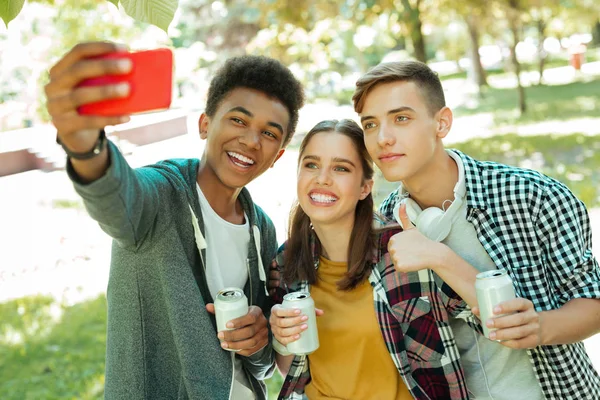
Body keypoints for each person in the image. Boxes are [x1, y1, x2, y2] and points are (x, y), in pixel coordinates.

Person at [44, 41, 304, 399]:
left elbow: (260, 366)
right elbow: (118, 198)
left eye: (269, 133)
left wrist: (257, 340)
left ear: (278, 155)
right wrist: (85, 145)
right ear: (204, 124)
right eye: (238, 120)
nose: (250, 140)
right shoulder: (161, 197)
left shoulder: (262, 227)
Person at [352, 60, 600, 399]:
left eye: (401, 118)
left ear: (441, 123)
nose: (383, 138)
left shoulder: (532, 196)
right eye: (370, 124)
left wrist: (539, 327)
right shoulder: (386, 225)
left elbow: (592, 303)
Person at [269, 119, 470, 400]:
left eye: (341, 168)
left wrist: (441, 258)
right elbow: (294, 373)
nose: (322, 178)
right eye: (311, 165)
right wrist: (283, 339)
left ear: (365, 187)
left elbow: (484, 318)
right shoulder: (286, 260)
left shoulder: (402, 250)